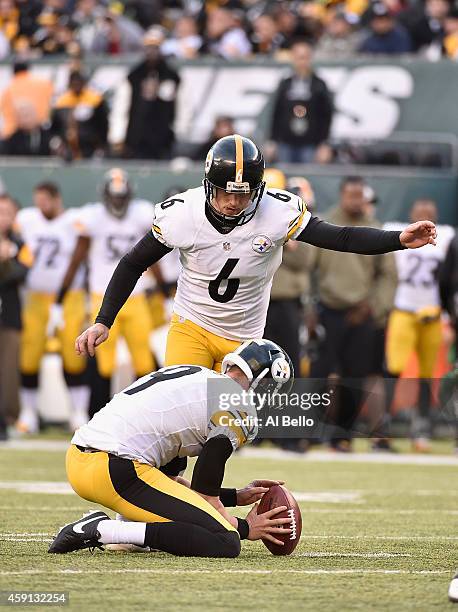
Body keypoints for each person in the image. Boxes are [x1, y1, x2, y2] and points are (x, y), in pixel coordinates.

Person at [73, 135, 437, 382]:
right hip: (193, 326)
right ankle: (173, 490)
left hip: (246, 335)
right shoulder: (182, 214)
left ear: (258, 190)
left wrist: (398, 239)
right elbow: (133, 262)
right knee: (180, 416)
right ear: (208, 186)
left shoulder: (278, 212)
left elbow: (338, 236)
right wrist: (104, 320)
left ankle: (208, 498)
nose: (233, 202)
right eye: (225, 193)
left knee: (225, 430)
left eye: (244, 194)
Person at [48, 340, 294, 558]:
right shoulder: (235, 405)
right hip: (115, 468)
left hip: (84, 460)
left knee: (177, 469)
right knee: (225, 541)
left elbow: (170, 482)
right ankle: (102, 530)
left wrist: (234, 496)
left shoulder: (196, 375)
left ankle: (127, 526)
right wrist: (245, 527)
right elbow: (204, 496)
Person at [54, 168, 156, 414]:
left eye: (122, 197)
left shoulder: (142, 214)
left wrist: (162, 288)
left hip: (137, 297)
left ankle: (146, 415)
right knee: (103, 362)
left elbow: (154, 253)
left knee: (143, 359)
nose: (118, 202)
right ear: (105, 196)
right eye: (114, 197)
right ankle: (98, 415)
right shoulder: (93, 217)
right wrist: (61, 295)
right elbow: (77, 258)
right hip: (103, 298)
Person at [307, 176, 398, 452]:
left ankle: (342, 435)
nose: (356, 200)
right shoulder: (325, 224)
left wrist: (373, 307)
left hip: (361, 311)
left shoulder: (375, 228)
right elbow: (309, 269)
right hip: (327, 310)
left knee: (355, 376)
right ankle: (312, 431)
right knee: (320, 374)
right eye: (351, 195)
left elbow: (388, 276)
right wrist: (309, 307)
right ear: (342, 195)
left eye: (360, 195)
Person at [15, 182, 89, 434]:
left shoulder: (73, 220)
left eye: (45, 200)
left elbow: (81, 252)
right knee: (29, 354)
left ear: (57, 199)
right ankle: (28, 413)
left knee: (73, 353)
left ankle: (78, 412)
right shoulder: (27, 219)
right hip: (36, 297)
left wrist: (61, 297)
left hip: (70, 297)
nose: (41, 205)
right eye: (38, 200)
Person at [385, 200, 454, 452]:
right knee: (393, 367)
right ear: (411, 215)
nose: (425, 216)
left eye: (430, 213)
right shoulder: (397, 230)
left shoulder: (446, 236)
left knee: (427, 373)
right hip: (403, 310)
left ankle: (421, 429)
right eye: (420, 213)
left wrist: (445, 313)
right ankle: (384, 428)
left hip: (432, 313)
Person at [268, 39, 333, 164]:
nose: (302, 62)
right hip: (285, 142)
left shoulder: (319, 85)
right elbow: (277, 113)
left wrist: (324, 143)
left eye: (305, 57)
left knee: (307, 179)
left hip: (311, 143)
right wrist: (273, 140)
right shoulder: (285, 83)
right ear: (293, 59)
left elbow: (326, 115)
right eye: (299, 57)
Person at [0, 195, 32, 440]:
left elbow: (21, 273)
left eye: (7, 213)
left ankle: (8, 418)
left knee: (9, 370)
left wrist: (6, 261)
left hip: (9, 314)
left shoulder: (20, 243)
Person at [124, 27, 180, 160]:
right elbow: (125, 104)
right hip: (138, 135)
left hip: (163, 134)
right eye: (149, 48)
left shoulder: (171, 75)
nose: (152, 52)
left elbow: (177, 104)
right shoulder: (135, 75)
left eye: (155, 48)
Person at [51, 70, 108, 160]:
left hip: (90, 148)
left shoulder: (95, 100)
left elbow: (103, 125)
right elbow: (55, 127)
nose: (76, 85)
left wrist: (101, 145)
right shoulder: (62, 102)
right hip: (67, 150)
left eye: (78, 82)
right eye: (73, 83)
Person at [0, 60, 53, 141]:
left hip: (15, 133)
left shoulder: (8, 90)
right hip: (41, 129)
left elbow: (5, 113)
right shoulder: (44, 84)